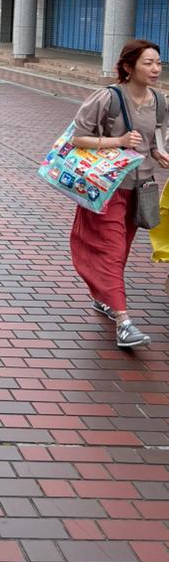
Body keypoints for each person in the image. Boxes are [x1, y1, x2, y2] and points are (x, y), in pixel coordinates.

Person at [69, 39, 169, 349]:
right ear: (128, 67)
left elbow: (155, 139)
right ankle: (124, 322)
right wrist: (119, 141)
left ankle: (104, 298)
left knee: (121, 250)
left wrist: (160, 153)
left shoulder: (159, 101)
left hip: (140, 188)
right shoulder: (107, 98)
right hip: (105, 188)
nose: (155, 68)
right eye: (147, 63)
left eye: (158, 62)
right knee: (112, 250)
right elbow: (77, 138)